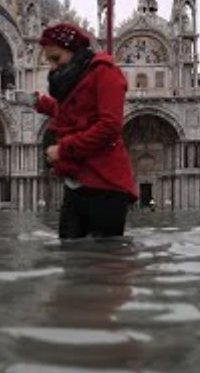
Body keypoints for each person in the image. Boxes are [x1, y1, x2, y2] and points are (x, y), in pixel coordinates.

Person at [32, 22, 137, 239]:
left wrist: (63, 150)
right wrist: (42, 103)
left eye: (56, 58)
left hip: (106, 184)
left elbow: (109, 127)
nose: (52, 67)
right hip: (77, 182)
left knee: (103, 260)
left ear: (74, 51)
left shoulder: (105, 73)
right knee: (70, 257)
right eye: (48, 61)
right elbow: (78, 112)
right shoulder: (75, 78)